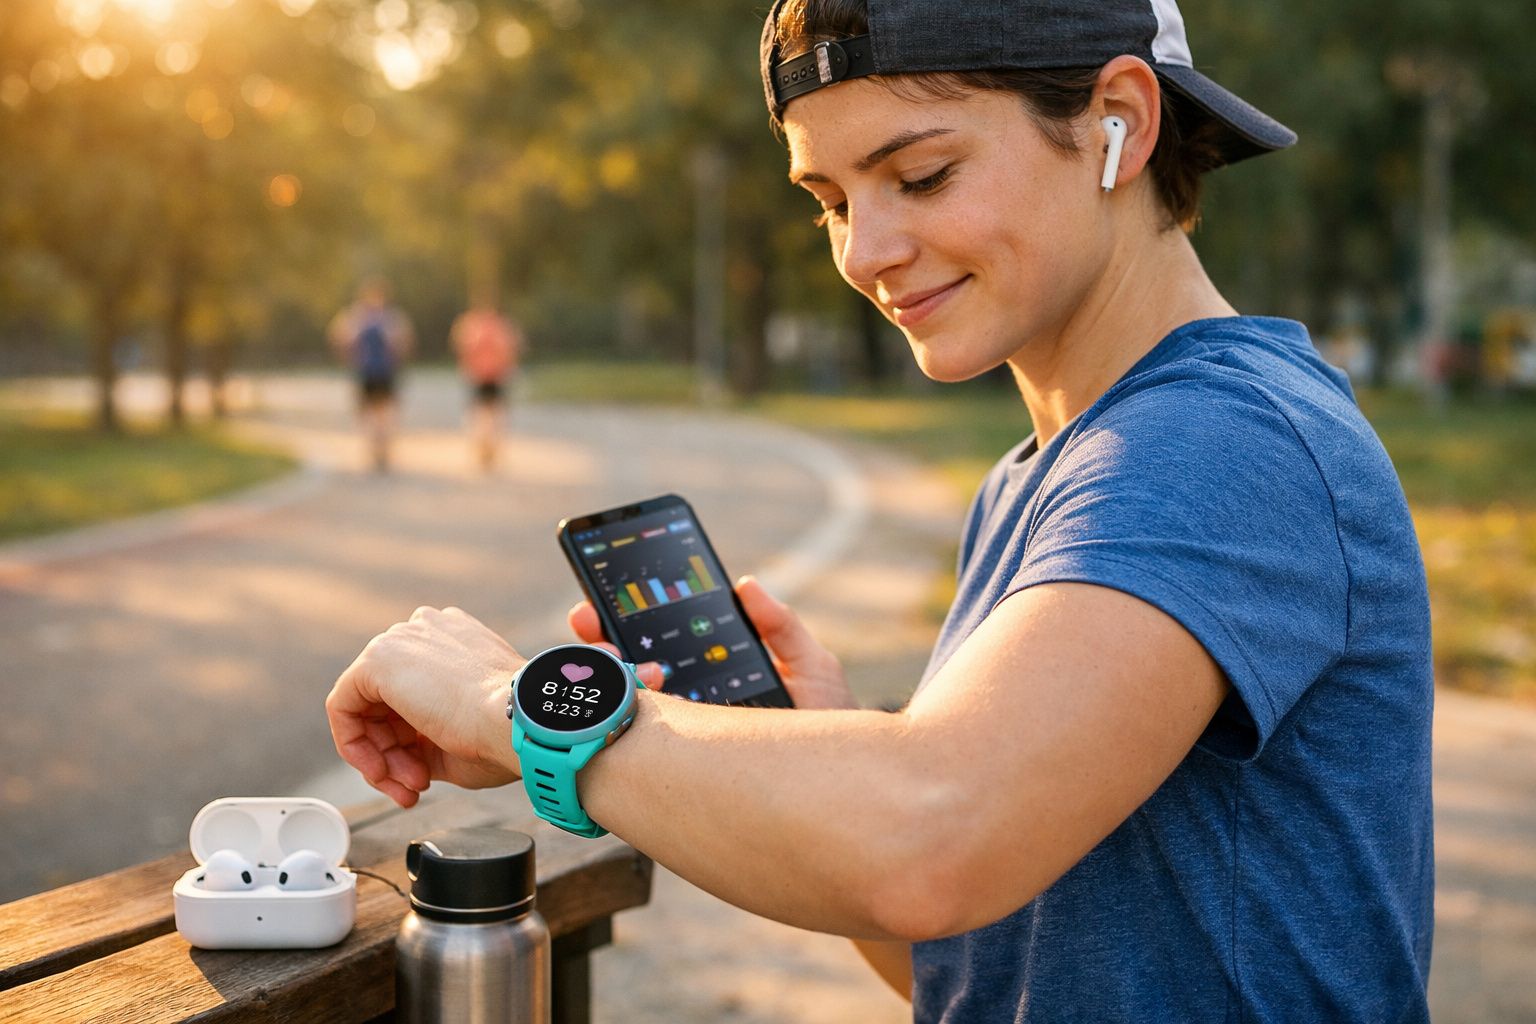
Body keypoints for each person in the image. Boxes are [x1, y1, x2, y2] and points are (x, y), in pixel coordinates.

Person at [325, 1, 1434, 1020]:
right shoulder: (1038, 478)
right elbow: (963, 947)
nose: (866, 251)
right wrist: (816, 756)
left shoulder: (1222, 442)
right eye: (834, 201)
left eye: (924, 173)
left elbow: (930, 840)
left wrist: (522, 708)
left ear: (1118, 121)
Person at [328, 279, 414, 472]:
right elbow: (404, 340)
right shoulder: (391, 317)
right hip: (385, 371)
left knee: (367, 412)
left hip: (366, 371)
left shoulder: (355, 317)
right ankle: (382, 447)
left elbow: (339, 337)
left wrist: (348, 358)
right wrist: (400, 360)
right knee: (385, 411)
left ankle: (372, 446)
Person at [449, 291, 523, 472]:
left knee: (478, 412)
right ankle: (492, 447)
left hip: (477, 374)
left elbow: (460, 346)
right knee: (496, 412)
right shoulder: (503, 325)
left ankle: (481, 445)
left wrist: (465, 367)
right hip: (497, 374)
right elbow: (514, 347)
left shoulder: (470, 324)